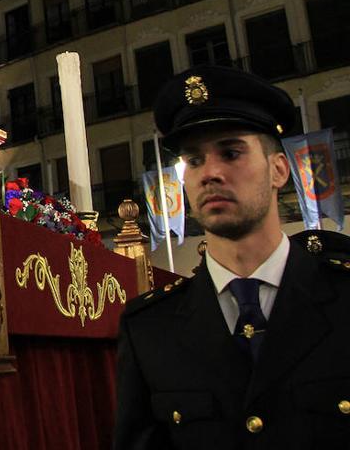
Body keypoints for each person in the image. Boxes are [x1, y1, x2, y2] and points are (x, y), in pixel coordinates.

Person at [115, 64, 350, 448]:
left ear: (278, 170)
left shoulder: (343, 298)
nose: (210, 173)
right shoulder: (150, 330)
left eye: (231, 152)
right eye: (193, 160)